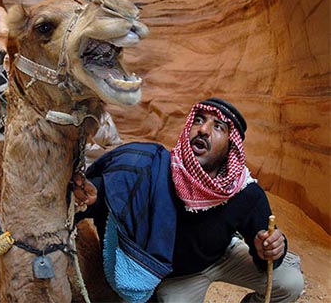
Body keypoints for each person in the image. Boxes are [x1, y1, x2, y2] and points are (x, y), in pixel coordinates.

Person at [73, 98, 304, 303]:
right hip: (179, 277)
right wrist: (96, 195)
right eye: (199, 120)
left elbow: (265, 256)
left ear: (230, 146)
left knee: (290, 283)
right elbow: (117, 189)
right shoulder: (157, 169)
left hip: (224, 256)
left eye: (218, 127)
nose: (203, 129)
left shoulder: (246, 192)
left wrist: (273, 249)